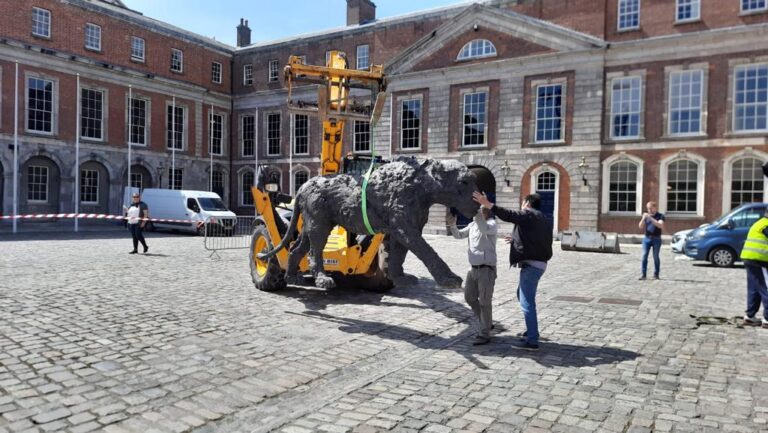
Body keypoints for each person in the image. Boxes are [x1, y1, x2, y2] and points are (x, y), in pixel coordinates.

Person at [473, 192, 552, 350]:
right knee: (522, 295)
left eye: (523, 203)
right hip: (539, 264)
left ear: (527, 203)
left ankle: (532, 340)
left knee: (526, 303)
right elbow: (536, 239)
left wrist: (488, 204)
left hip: (532, 266)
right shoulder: (542, 218)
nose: (522, 206)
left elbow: (509, 215)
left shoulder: (529, 215)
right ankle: (531, 331)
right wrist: (516, 240)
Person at [446, 207, 498, 345]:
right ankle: (485, 322)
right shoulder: (473, 225)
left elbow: (484, 228)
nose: (477, 212)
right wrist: (452, 225)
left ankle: (484, 333)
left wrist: (476, 214)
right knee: (469, 297)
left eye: (480, 210)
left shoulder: (492, 224)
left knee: (485, 302)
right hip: (472, 269)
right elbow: (458, 235)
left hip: (486, 270)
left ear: (486, 212)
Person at [740, 209, 768, 329]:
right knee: (766, 288)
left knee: (754, 288)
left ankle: (750, 317)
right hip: (760, 259)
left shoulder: (760, 222)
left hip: (750, 258)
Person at [638, 201, 665, 280]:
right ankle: (643, 274)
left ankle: (656, 274)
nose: (649, 210)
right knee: (644, 256)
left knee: (655, 256)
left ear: (655, 208)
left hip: (656, 239)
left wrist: (650, 218)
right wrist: (643, 218)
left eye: (650, 208)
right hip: (647, 238)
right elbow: (640, 226)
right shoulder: (646, 216)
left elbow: (660, 225)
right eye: (648, 209)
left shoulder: (660, 216)